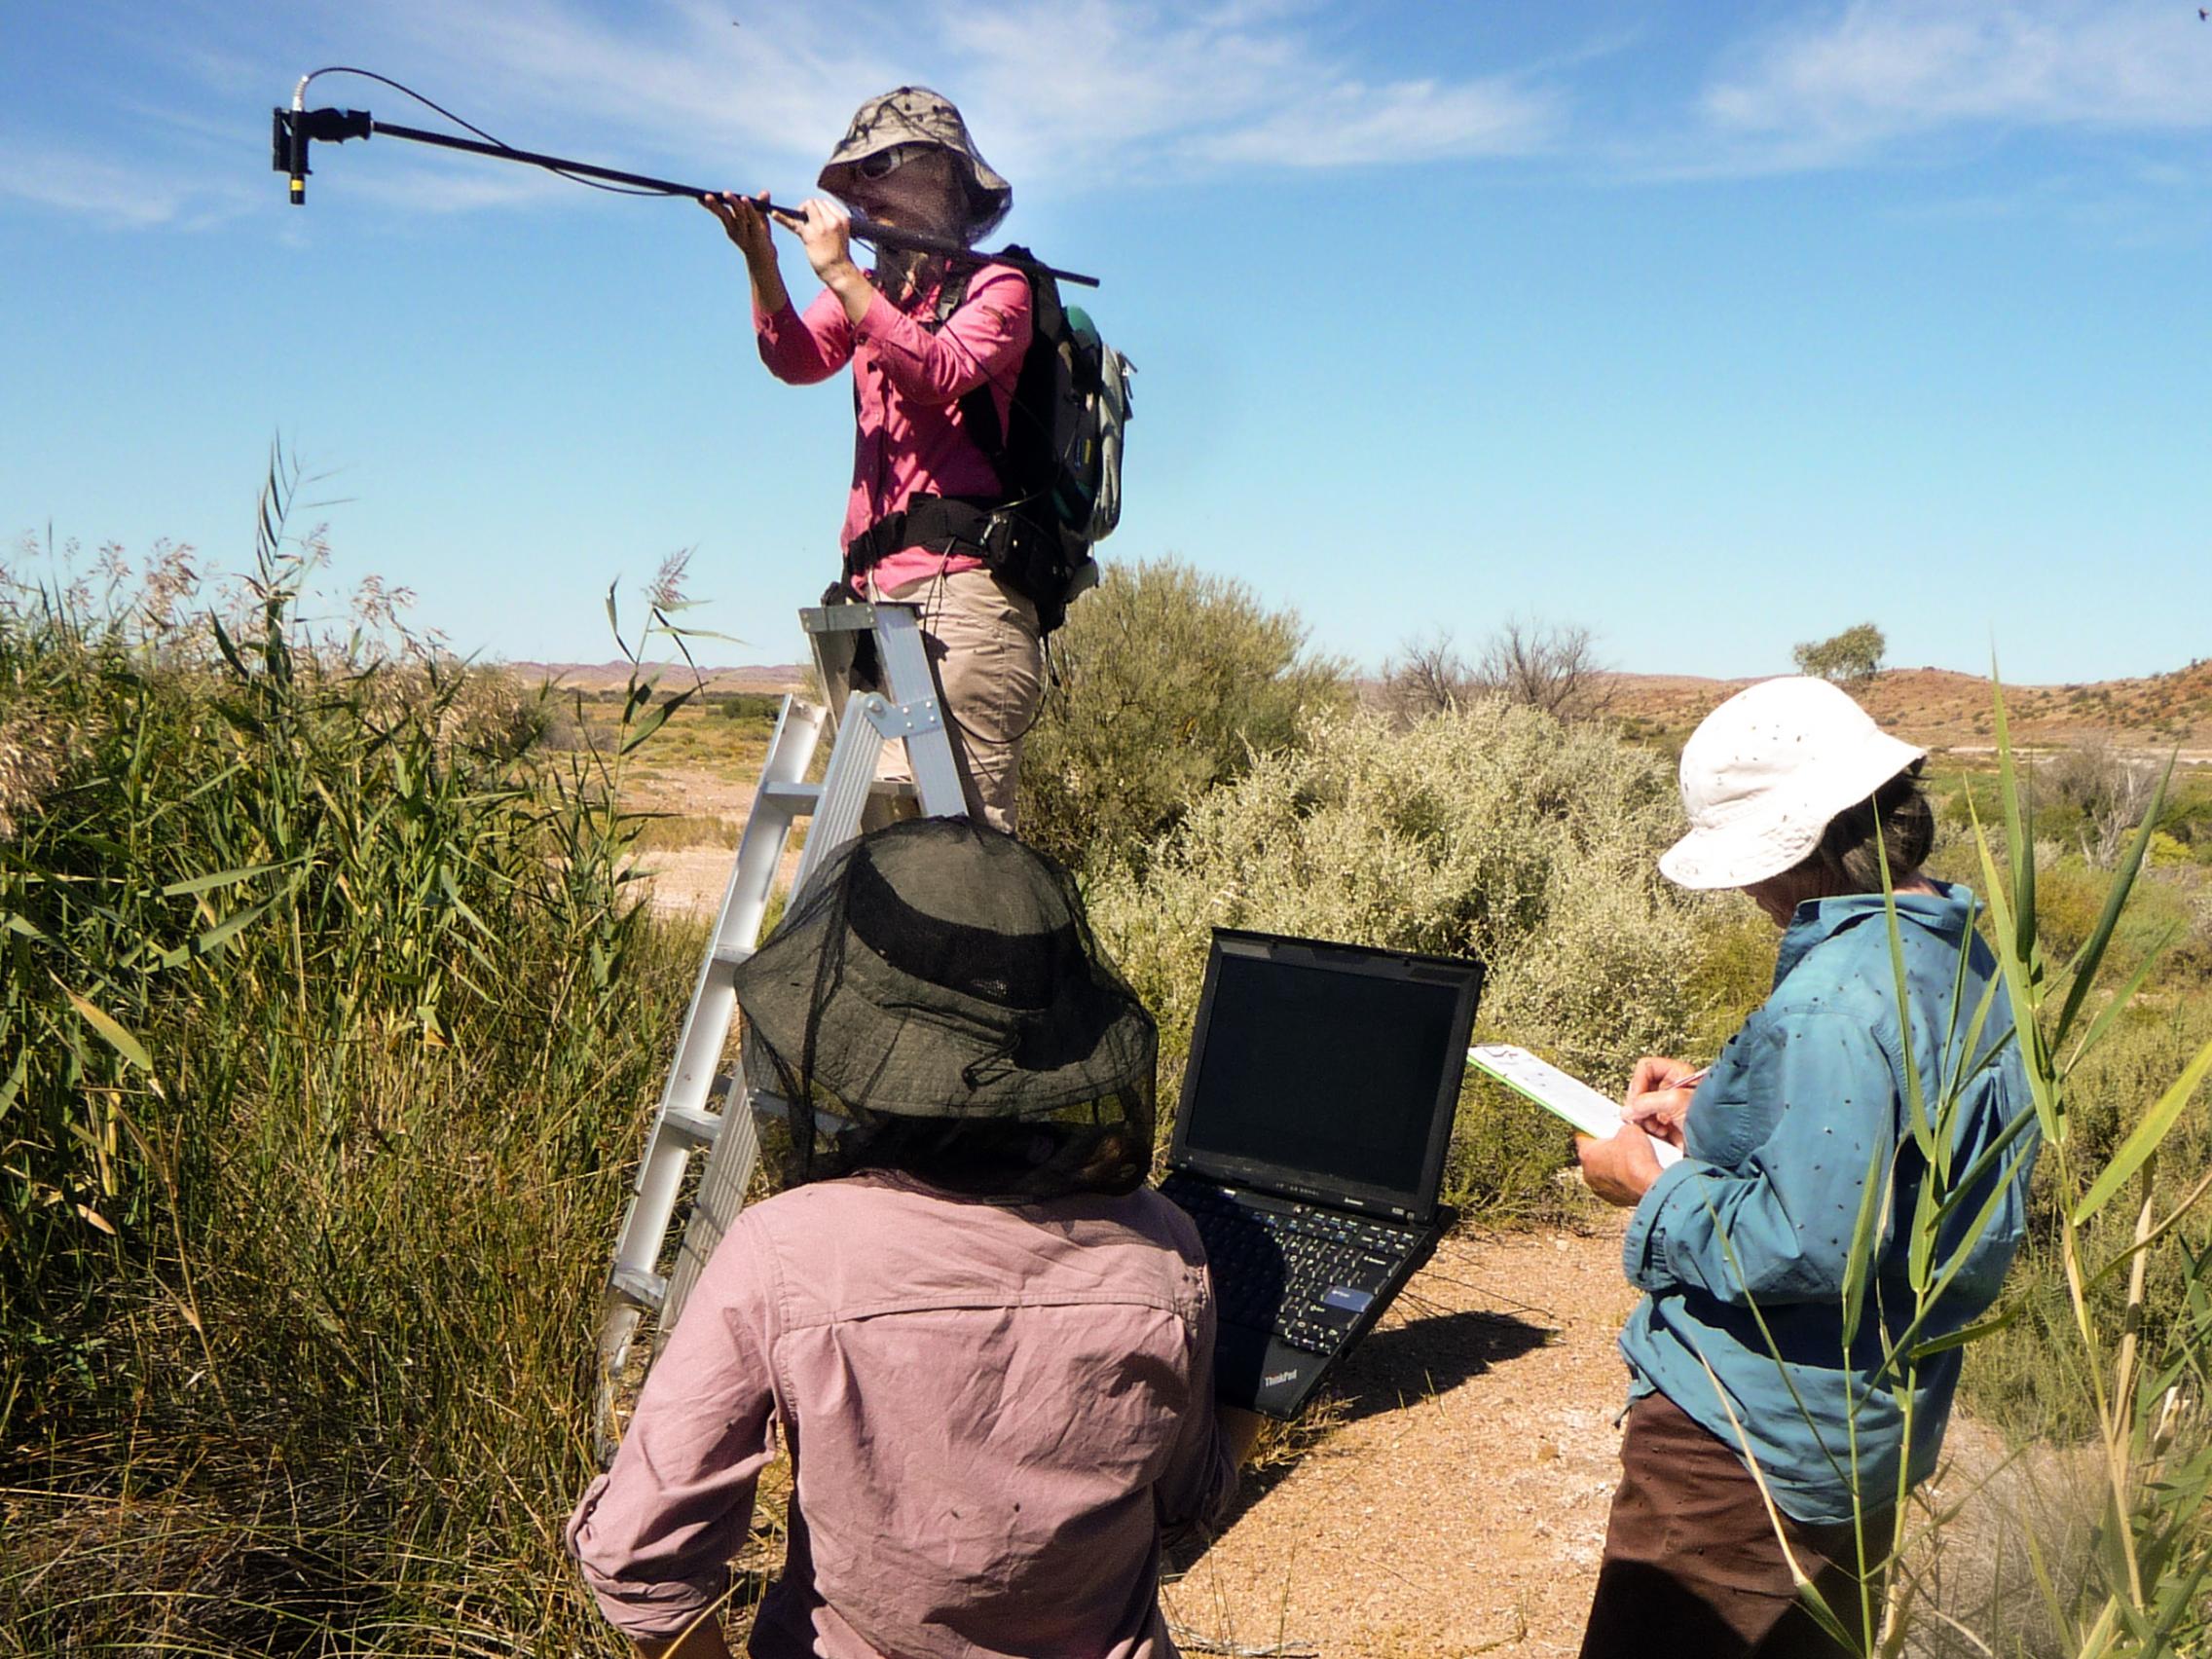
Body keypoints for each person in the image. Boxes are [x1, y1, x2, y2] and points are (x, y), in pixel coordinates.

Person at [569, 818, 1264, 1658]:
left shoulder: (786, 1253)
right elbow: (1192, 1497)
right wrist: (1259, 1373)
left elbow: (642, 1553)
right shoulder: (1164, 1246)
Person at [1572, 677, 2039, 1659]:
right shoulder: (1954, 956)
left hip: (1740, 1450)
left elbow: (1803, 1247)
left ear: (1795, 848)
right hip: (1857, 1433)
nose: (1745, 890)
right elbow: (1894, 1161)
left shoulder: (1832, 997)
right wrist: (1725, 1108)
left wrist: (1646, 1181)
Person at [701, 88, 1042, 834]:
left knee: (964, 854)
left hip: (968, 608)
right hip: (877, 609)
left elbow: (937, 371)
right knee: (884, 855)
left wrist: (843, 277)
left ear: (944, 180)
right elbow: (792, 357)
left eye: (884, 174)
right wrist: (763, 259)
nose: (865, 200)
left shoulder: (1001, 287)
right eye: (857, 183)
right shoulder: (877, 293)